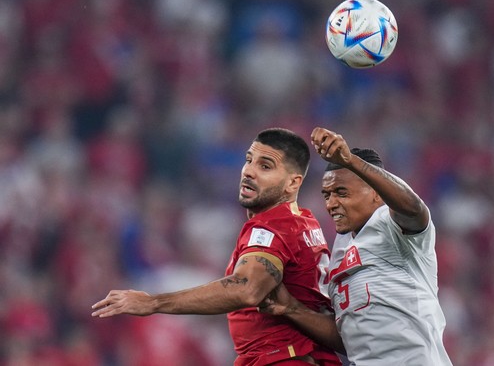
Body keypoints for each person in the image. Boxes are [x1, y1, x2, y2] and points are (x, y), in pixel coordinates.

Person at [92, 128, 341, 366]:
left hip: (283, 359)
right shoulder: (305, 223)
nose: (249, 172)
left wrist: (153, 303)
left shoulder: (272, 226)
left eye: (265, 166)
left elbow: (247, 289)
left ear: (292, 184)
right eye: (249, 160)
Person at [259, 127, 452, 365]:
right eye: (327, 195)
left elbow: (414, 208)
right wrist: (291, 308)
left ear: (375, 194)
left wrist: (350, 161)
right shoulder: (340, 250)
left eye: (341, 192)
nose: (331, 204)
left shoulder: (395, 228)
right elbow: (351, 336)